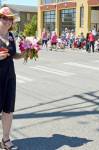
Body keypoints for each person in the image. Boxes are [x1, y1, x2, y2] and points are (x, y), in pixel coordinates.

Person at [0, 7, 25, 149]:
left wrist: (24, 54)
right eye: (4, 17)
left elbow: (13, 55)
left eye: (10, 19)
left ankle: (5, 139)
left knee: (8, 110)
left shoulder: (10, 36)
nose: (8, 21)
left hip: (9, 77)